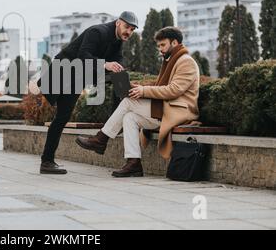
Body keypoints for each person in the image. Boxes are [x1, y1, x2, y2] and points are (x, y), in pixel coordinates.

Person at [76, 26, 200, 177]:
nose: (160, 49)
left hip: (179, 112)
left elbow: (174, 90)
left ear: (174, 43)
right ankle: (133, 163)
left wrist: (143, 91)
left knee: (129, 102)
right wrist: (140, 87)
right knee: (130, 118)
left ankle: (101, 139)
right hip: (166, 108)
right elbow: (162, 86)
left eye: (163, 45)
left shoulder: (185, 62)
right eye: (158, 46)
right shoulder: (171, 60)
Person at [38, 11, 139, 174]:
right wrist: (106, 64)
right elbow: (82, 56)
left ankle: (106, 132)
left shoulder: (118, 39)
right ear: (118, 23)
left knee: (120, 77)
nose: (129, 32)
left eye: (132, 29)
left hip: (83, 73)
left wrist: (118, 67)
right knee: (62, 118)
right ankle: (47, 161)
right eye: (127, 27)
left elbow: (118, 59)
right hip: (66, 73)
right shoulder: (97, 32)